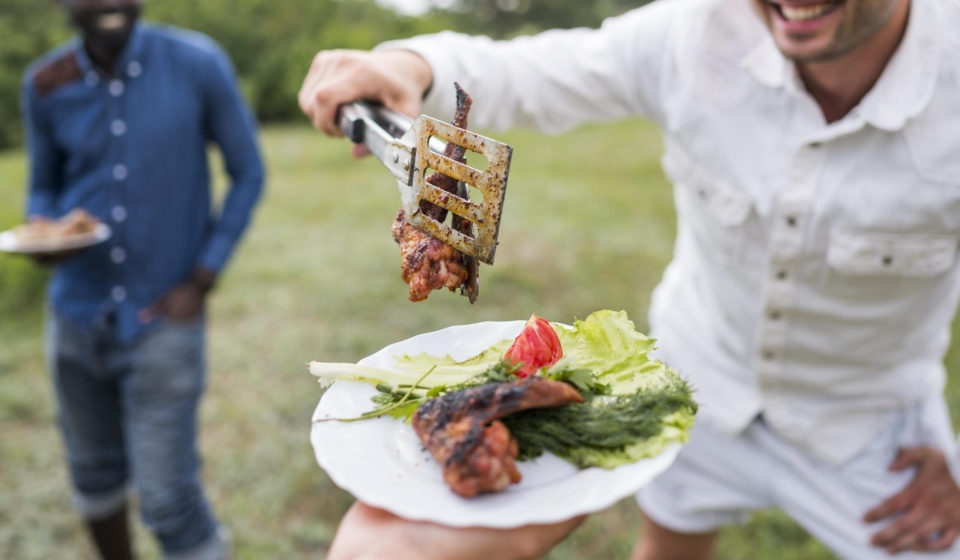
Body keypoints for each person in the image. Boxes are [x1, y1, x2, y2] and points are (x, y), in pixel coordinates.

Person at [299, 0, 960, 557]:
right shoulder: (693, 30)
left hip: (874, 431)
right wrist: (406, 66)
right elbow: (526, 72)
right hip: (688, 388)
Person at [22, 0, 264, 558]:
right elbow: (43, 184)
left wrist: (203, 277)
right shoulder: (45, 81)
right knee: (91, 476)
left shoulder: (198, 63)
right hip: (74, 315)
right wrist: (44, 228)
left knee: (167, 499)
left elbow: (248, 170)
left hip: (163, 316)